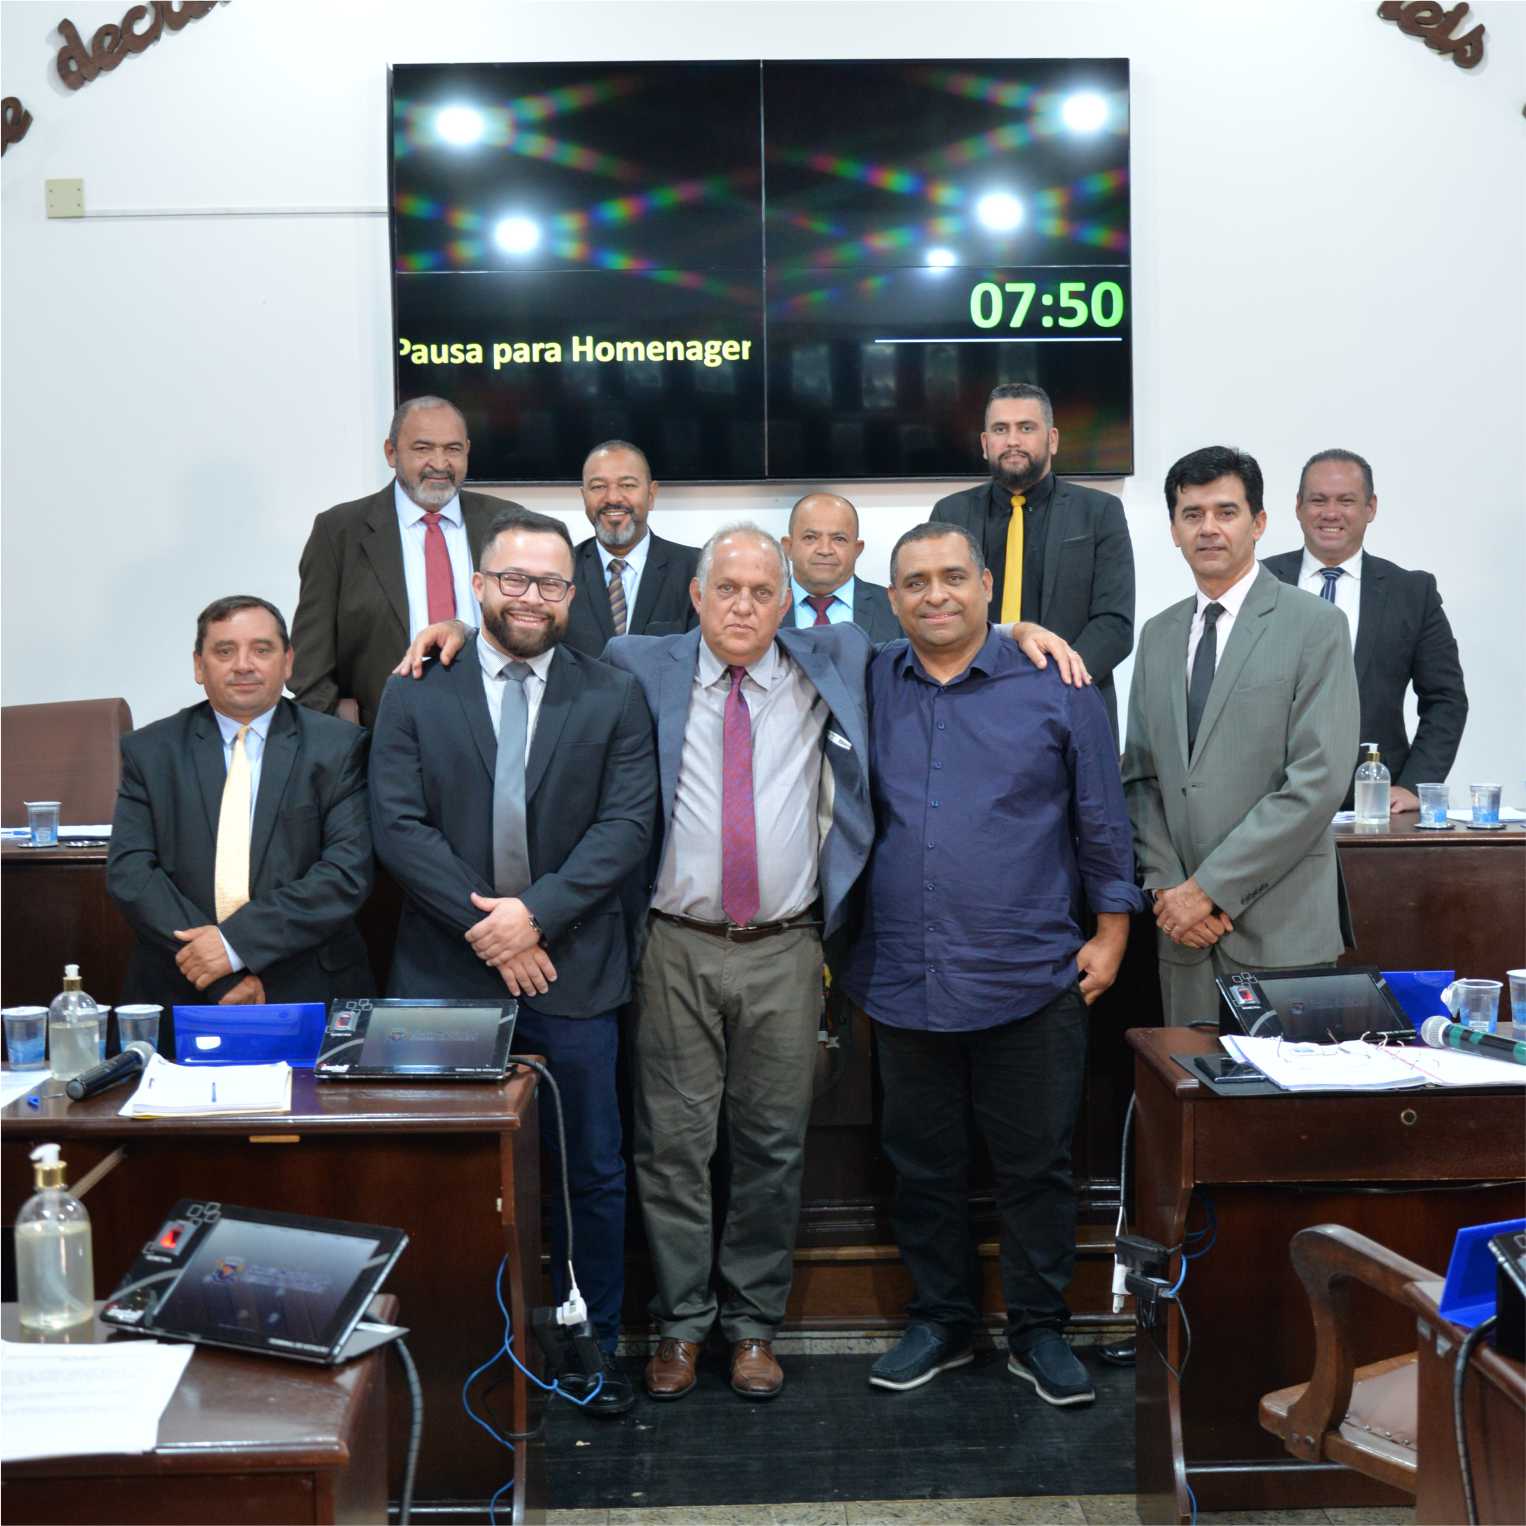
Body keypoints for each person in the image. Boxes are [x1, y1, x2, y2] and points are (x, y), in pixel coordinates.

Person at [839, 524, 1141, 1406]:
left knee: (1035, 1167)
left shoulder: (1057, 684)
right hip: (904, 972)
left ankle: (1039, 1330)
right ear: (891, 598)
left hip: (1030, 972)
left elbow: (1101, 817)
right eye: (914, 582)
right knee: (921, 1166)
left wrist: (1113, 932)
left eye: (952, 577)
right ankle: (940, 1320)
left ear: (985, 585)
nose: (935, 595)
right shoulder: (867, 679)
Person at [367, 507, 656, 1416]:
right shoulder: (416, 690)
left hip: (573, 972)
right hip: (444, 978)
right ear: (480, 585)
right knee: (443, 1169)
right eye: (515, 579)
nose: (533, 597)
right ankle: (452, 1353)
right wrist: (491, 928)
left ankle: (589, 1345)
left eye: (552, 582)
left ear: (574, 593)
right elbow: (397, 826)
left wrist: (535, 917)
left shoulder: (611, 694)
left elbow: (626, 828)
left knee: (590, 1174)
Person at [1122, 446, 1358, 1026]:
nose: (1208, 528)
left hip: (1281, 929)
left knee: (1286, 1088)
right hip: (1183, 934)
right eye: (1192, 514)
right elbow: (1141, 778)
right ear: (1174, 531)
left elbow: (1317, 781)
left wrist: (1208, 890)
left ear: (1258, 523)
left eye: (1226, 512)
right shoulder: (1157, 635)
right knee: (1188, 1084)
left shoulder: (1316, 625)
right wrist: (1170, 890)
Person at [107, 596, 374, 1016]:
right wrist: (216, 969)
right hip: (182, 985)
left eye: (261, 650)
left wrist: (233, 946)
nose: (244, 665)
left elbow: (344, 873)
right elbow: (131, 872)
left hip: (306, 985)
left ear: (288, 662)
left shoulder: (339, 748)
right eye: (225, 651)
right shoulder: (151, 751)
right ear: (199, 666)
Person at [289, 396, 518, 728]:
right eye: (423, 448)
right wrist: (339, 744)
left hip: (495, 727)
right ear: (391, 452)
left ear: (467, 451)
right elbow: (310, 664)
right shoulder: (339, 532)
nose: (439, 463)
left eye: (452, 449)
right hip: (380, 735)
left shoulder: (509, 524)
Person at [1261, 449, 1468, 811]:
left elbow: (1445, 699)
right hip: (1267, 798)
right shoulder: (1257, 583)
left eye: (1346, 501)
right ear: (1298, 507)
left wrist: (1414, 786)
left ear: (1370, 508)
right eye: (1318, 500)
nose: (1331, 513)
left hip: (1372, 801)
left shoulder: (1411, 593)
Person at [933, 381, 1135, 739]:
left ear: (1052, 439)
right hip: (971, 711)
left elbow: (1114, 624)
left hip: (1072, 706)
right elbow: (940, 616)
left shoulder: (1099, 512)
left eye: (1026, 428)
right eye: (1001, 429)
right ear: (985, 444)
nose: (1013, 440)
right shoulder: (950, 515)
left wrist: (1047, 687)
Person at [563, 439, 699, 656]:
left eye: (627, 485)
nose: (613, 498)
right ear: (584, 496)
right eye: (598, 487)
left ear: (651, 495)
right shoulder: (561, 571)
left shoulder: (694, 569)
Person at [779, 491, 900, 642]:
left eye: (839, 539)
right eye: (810, 537)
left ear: (857, 549)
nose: (825, 550)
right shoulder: (763, 607)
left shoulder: (895, 607)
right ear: (788, 547)